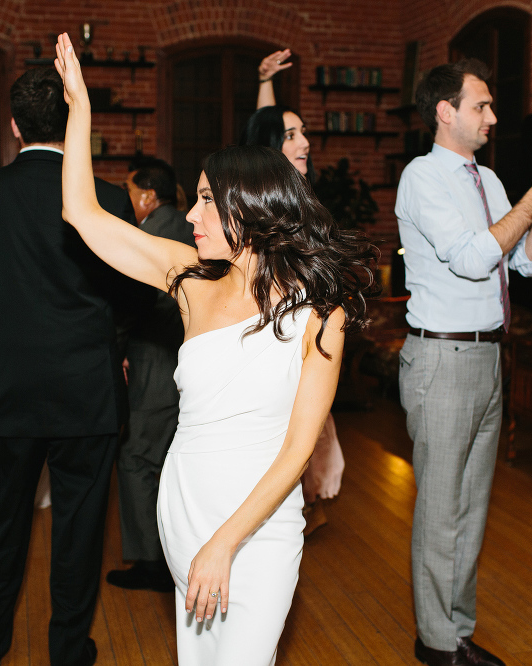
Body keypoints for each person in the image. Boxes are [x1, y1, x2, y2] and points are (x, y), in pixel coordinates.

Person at [53, 32, 376, 665]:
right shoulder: (189, 282)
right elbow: (80, 215)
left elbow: (297, 451)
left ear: (249, 209)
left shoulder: (320, 315)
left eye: (207, 199)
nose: (193, 214)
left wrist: (227, 542)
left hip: (259, 524)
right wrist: (80, 107)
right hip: (185, 503)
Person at [396, 59, 532, 666]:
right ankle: (435, 643)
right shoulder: (422, 176)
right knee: (440, 507)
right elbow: (471, 258)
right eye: (481, 105)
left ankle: (456, 630)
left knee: (471, 506)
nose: (492, 116)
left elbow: (525, 266)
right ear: (445, 112)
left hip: (487, 355)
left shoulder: (486, 179)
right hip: (442, 354)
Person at [0, 67, 141, 666]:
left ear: (14, 126)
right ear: (74, 120)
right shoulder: (108, 197)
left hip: (9, 392)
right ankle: (68, 653)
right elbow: (132, 296)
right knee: (80, 538)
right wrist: (120, 351)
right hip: (89, 392)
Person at [245, 49, 346, 528]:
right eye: (292, 135)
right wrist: (264, 85)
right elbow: (261, 138)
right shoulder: (261, 210)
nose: (305, 141)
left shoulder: (305, 203)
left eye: (304, 131)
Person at [106, 157, 195, 593]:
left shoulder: (151, 234)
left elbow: (134, 305)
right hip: (188, 358)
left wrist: (115, 349)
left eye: (129, 190)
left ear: (147, 195)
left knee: (139, 458)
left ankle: (151, 563)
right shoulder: (189, 225)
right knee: (168, 458)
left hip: (156, 360)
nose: (127, 198)